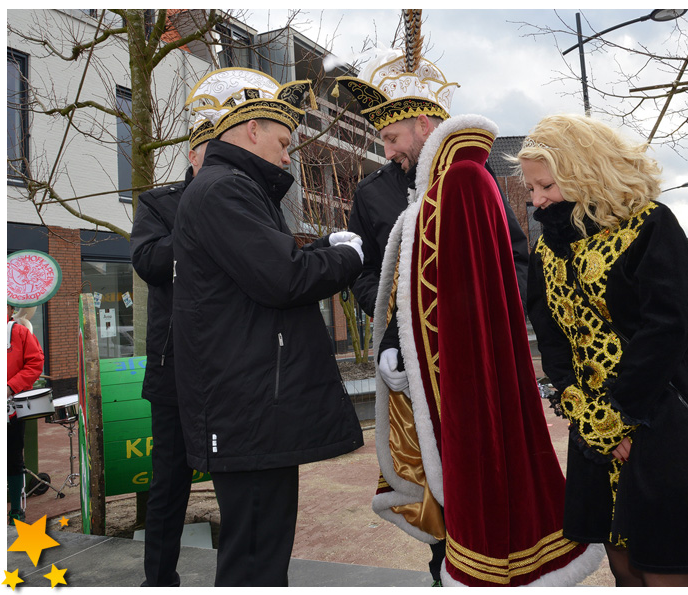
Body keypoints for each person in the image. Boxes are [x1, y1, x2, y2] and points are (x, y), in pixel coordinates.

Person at [338, 25, 603, 586]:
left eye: (392, 138)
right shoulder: (373, 194)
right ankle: (444, 570)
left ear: (425, 125)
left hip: (464, 359)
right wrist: (391, 327)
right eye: (382, 141)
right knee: (439, 491)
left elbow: (513, 260)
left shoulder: (469, 181)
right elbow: (370, 276)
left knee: (470, 474)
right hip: (407, 361)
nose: (386, 151)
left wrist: (496, 328)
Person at [519, 114, 688, 586]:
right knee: (622, 559)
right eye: (532, 190)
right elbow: (551, 336)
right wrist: (588, 414)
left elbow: (668, 326)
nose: (537, 201)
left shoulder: (651, 223)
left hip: (661, 413)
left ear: (583, 170)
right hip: (593, 425)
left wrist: (620, 414)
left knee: (666, 560)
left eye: (547, 185)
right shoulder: (547, 249)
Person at [171, 67, 365, 587]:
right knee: (256, 554)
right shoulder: (224, 191)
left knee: (258, 545)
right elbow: (283, 278)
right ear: (252, 129)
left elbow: (265, 268)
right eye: (283, 142)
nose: (287, 157)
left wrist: (323, 248)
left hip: (249, 401)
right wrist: (346, 258)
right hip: (250, 406)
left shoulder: (227, 188)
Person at [129, 103, 216, 586]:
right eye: (210, 153)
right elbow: (148, 262)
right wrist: (196, 219)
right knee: (169, 484)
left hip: (228, 367)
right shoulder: (159, 204)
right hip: (173, 369)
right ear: (192, 155)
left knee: (240, 482)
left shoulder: (243, 198)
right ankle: (159, 580)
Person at [7, 303, 45, 524]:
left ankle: (16, 510)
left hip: (10, 410)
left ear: (10, 310)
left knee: (12, 459)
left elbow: (35, 362)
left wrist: (11, 386)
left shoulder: (19, 332)